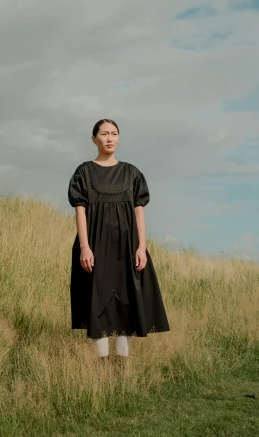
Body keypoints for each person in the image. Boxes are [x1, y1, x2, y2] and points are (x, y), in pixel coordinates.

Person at [68, 119, 169, 361]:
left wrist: (142, 246)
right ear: (94, 139)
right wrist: (84, 247)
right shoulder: (84, 171)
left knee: (127, 302)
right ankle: (103, 367)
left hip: (127, 246)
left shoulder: (131, 173)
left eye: (114, 133)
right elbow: (80, 210)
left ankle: (122, 368)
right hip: (94, 245)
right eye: (104, 134)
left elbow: (138, 211)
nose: (110, 138)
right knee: (98, 302)